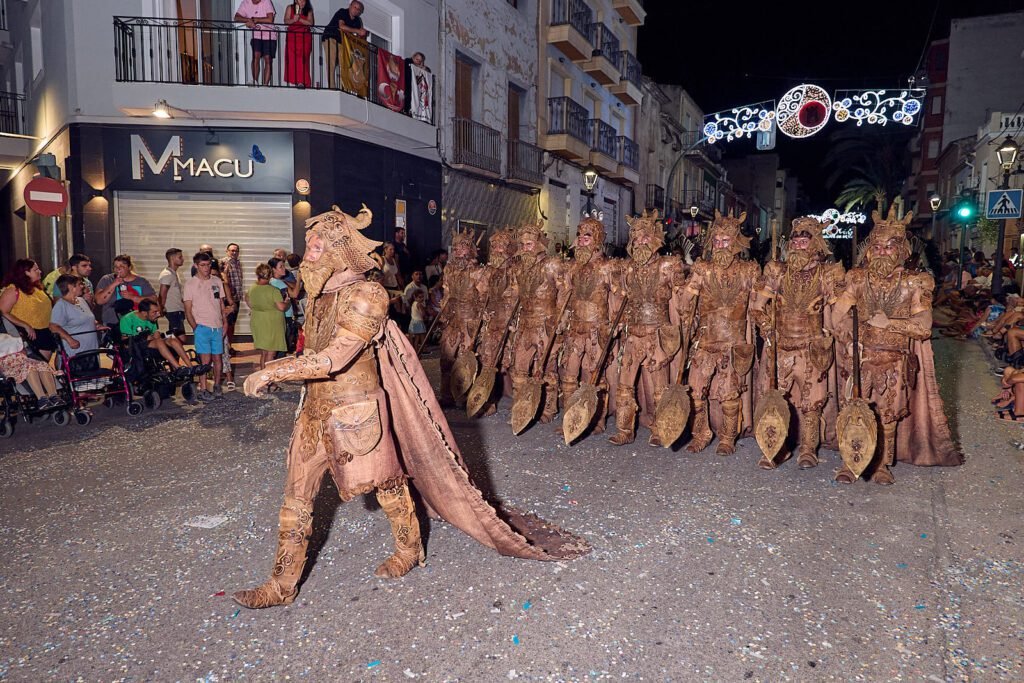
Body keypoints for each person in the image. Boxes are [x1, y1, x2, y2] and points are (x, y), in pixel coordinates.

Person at [233, 205, 587, 610]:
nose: (307, 254)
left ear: (339, 251)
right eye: (309, 246)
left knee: (388, 486)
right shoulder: (320, 294)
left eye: (317, 247)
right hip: (315, 412)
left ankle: (409, 549)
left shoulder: (367, 294)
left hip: (356, 413)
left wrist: (275, 371)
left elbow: (337, 355)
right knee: (295, 499)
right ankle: (281, 585)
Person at [832, 206, 963, 484]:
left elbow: (923, 326)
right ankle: (849, 462)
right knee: (854, 409)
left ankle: (881, 464)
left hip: (895, 360)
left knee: (888, 415)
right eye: (877, 247)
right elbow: (838, 316)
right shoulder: (857, 278)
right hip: (861, 358)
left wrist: (888, 323)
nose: (881, 252)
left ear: (901, 250)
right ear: (869, 250)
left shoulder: (916, 283)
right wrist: (849, 337)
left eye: (889, 247)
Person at [750, 216, 845, 469]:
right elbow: (757, 306)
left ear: (815, 244)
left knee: (811, 402)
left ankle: (807, 449)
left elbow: (839, 312)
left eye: (805, 242)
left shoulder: (827, 274)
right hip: (780, 346)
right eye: (795, 242)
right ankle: (777, 447)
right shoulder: (776, 272)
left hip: (811, 347)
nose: (799, 246)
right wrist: (765, 324)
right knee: (774, 398)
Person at [675, 211, 761, 454]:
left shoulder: (749, 271)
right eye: (716, 241)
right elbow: (687, 298)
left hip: (732, 344)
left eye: (725, 241)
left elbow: (758, 304)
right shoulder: (703, 269)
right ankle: (701, 433)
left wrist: (762, 315)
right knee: (696, 391)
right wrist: (684, 301)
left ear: (735, 243)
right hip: (705, 341)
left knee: (729, 395)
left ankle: (727, 437)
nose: (720, 246)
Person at [608, 210, 686, 446]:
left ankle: (659, 429)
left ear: (653, 239)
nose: (639, 242)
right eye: (635, 238)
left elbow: (681, 300)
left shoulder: (668, 266)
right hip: (633, 334)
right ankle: (625, 430)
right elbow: (621, 300)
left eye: (644, 237)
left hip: (657, 335)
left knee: (659, 389)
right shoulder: (626, 268)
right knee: (624, 386)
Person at [558, 217, 621, 439]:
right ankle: (569, 419)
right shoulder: (572, 267)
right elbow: (566, 297)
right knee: (569, 376)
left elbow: (617, 299)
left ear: (597, 240)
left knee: (595, 377)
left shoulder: (608, 267)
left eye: (588, 236)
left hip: (597, 329)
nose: (583, 241)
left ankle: (597, 420)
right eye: (580, 236)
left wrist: (614, 323)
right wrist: (562, 318)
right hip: (575, 328)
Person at [508, 223, 566, 426]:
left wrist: (560, 319)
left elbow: (564, 294)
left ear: (539, 244)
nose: (526, 248)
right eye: (523, 244)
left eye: (530, 244)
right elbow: (515, 296)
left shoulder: (552, 265)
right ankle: (521, 407)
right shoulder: (518, 268)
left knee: (548, 368)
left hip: (545, 323)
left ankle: (549, 408)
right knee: (520, 368)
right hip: (526, 323)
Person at [437, 230, 485, 406]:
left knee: (466, 360)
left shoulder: (478, 272)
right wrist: (444, 309)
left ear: (471, 249)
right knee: (446, 359)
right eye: (455, 247)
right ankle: (447, 396)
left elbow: (483, 298)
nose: (458, 250)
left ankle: (465, 396)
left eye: (462, 247)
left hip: (468, 320)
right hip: (452, 319)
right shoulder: (449, 269)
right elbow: (447, 291)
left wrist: (478, 321)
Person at [184, 252, 229, 401]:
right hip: (202, 326)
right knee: (205, 360)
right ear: (196, 266)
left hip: (217, 326)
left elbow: (220, 303)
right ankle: (203, 388)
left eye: (208, 264)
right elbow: (188, 309)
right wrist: (195, 327)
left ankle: (216, 385)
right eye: (203, 265)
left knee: (218, 358)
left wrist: (224, 321)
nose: (206, 268)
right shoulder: (190, 284)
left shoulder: (216, 281)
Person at [1, 259, 59, 359]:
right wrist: (25, 325)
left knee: (43, 368)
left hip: (44, 332)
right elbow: (3, 311)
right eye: (36, 269)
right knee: (37, 368)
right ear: (26, 272)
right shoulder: (13, 289)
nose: (40, 271)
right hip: (27, 335)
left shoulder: (38, 288)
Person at [120, 300, 194, 374]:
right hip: (136, 345)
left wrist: (162, 337)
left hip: (151, 341)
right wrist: (143, 338)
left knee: (172, 339)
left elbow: (156, 334)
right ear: (144, 313)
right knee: (159, 342)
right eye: (154, 312)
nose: (158, 314)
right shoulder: (127, 319)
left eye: (158, 311)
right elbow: (125, 341)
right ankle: (178, 368)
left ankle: (191, 367)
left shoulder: (151, 318)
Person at [0, 333, 61, 409]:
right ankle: (42, 399)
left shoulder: (7, 334)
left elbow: (23, 349)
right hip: (8, 366)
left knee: (42, 364)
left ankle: (54, 396)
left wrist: (21, 351)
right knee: (29, 367)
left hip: (22, 359)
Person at [95, 255, 157, 329]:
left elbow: (153, 299)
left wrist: (133, 297)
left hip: (137, 324)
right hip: (113, 324)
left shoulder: (141, 281)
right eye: (115, 266)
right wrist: (114, 284)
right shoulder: (107, 279)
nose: (118, 269)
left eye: (122, 266)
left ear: (129, 267)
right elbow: (99, 301)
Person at [49, 275, 103, 359]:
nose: (82, 286)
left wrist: (97, 325)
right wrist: (69, 339)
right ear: (70, 287)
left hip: (91, 349)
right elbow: (53, 326)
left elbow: (87, 319)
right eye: (79, 284)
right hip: (76, 352)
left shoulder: (81, 301)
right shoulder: (61, 305)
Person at [246, 263, 288, 369]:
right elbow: (281, 307)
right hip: (272, 323)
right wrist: (287, 301)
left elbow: (248, 301)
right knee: (271, 353)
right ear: (270, 275)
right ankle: (268, 380)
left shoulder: (252, 288)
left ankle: (263, 377)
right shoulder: (273, 290)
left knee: (264, 353)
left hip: (258, 321)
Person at [322, 1, 366, 89]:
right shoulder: (342, 12)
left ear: (360, 12)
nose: (356, 10)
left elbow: (358, 36)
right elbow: (341, 26)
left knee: (345, 63)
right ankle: (332, 86)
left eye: (358, 9)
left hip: (342, 42)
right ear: (350, 6)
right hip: (330, 36)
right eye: (355, 7)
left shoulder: (358, 21)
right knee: (332, 61)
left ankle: (344, 87)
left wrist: (362, 34)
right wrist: (358, 31)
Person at [234, 0, 278, 86]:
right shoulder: (245, 3)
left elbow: (270, 19)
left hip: (269, 34)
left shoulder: (266, 1)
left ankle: (265, 84)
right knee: (255, 56)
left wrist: (256, 20)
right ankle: (254, 81)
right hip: (256, 35)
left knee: (268, 59)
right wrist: (249, 20)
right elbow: (236, 17)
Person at [268, 257, 301, 352]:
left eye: (284, 266)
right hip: (285, 316)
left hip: (278, 316)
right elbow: (294, 294)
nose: (284, 269)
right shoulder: (279, 283)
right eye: (281, 267)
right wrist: (299, 279)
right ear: (273, 269)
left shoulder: (273, 281)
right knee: (283, 346)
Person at [283, 0, 314, 88]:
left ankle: (302, 81)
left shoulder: (308, 10)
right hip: (292, 36)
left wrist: (300, 19)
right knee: (292, 59)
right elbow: (286, 20)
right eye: (300, 0)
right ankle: (295, 81)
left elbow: (311, 23)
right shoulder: (290, 7)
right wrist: (294, 20)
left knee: (303, 59)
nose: (302, 2)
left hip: (304, 37)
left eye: (304, 1)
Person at [159, 248, 187, 342]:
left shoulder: (175, 273)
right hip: (172, 310)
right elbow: (162, 293)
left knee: (176, 337)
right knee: (180, 338)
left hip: (178, 310)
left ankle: (164, 343)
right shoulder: (167, 274)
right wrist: (161, 308)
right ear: (172, 258)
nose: (182, 259)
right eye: (180, 257)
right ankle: (160, 340)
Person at [221, 243, 243, 353]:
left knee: (232, 324)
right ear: (227, 251)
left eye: (236, 251)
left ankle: (229, 346)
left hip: (236, 298)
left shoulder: (238, 263)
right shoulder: (224, 263)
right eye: (232, 250)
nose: (234, 253)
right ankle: (225, 348)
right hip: (228, 299)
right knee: (227, 324)